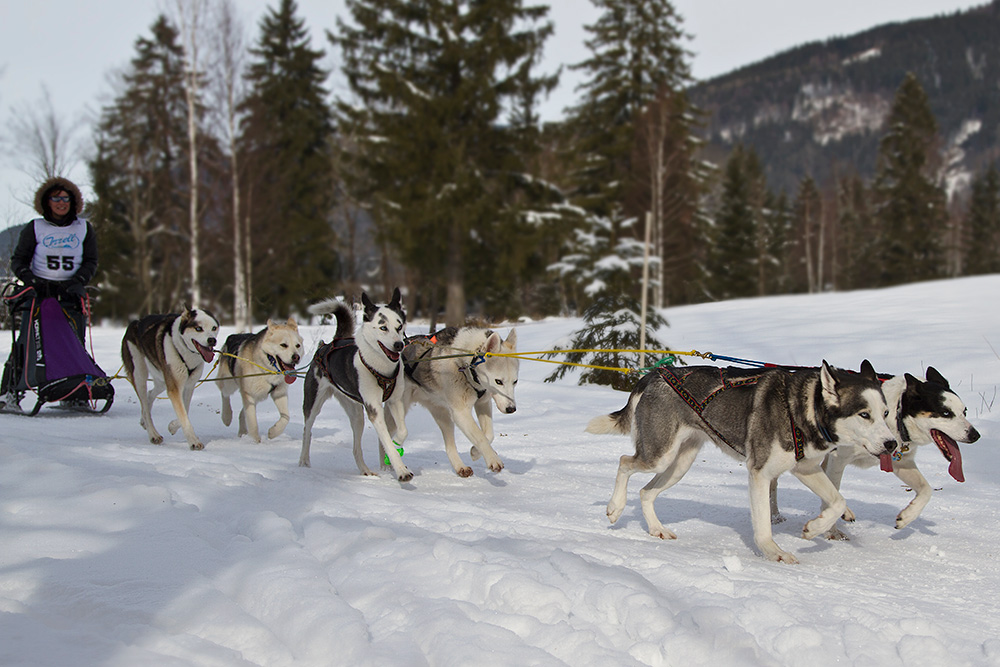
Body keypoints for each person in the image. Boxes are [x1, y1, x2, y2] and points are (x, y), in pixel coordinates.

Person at [1, 176, 98, 410]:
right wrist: (31, 279)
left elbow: (90, 260)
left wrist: (79, 280)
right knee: (27, 342)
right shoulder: (35, 227)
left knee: (73, 342)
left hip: (70, 293)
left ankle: (74, 393)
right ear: (47, 202)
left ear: (73, 202)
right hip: (39, 293)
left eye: (65, 198)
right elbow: (19, 260)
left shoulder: (83, 227)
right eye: (56, 198)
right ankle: (9, 394)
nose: (61, 202)